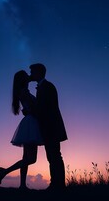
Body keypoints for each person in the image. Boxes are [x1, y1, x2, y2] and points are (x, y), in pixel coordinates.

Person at [0, 70, 44, 190]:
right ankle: (5, 171)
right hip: (31, 123)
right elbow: (33, 108)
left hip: (29, 122)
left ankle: (22, 185)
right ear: (23, 80)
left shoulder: (23, 91)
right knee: (31, 159)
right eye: (26, 76)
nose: (29, 77)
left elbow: (28, 108)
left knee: (25, 158)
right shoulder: (23, 92)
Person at [29, 63, 68, 191]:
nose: (31, 74)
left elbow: (45, 109)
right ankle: (56, 184)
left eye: (32, 72)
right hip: (49, 127)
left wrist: (31, 111)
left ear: (39, 72)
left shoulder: (47, 87)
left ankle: (58, 185)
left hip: (51, 127)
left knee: (54, 155)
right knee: (52, 156)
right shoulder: (43, 87)